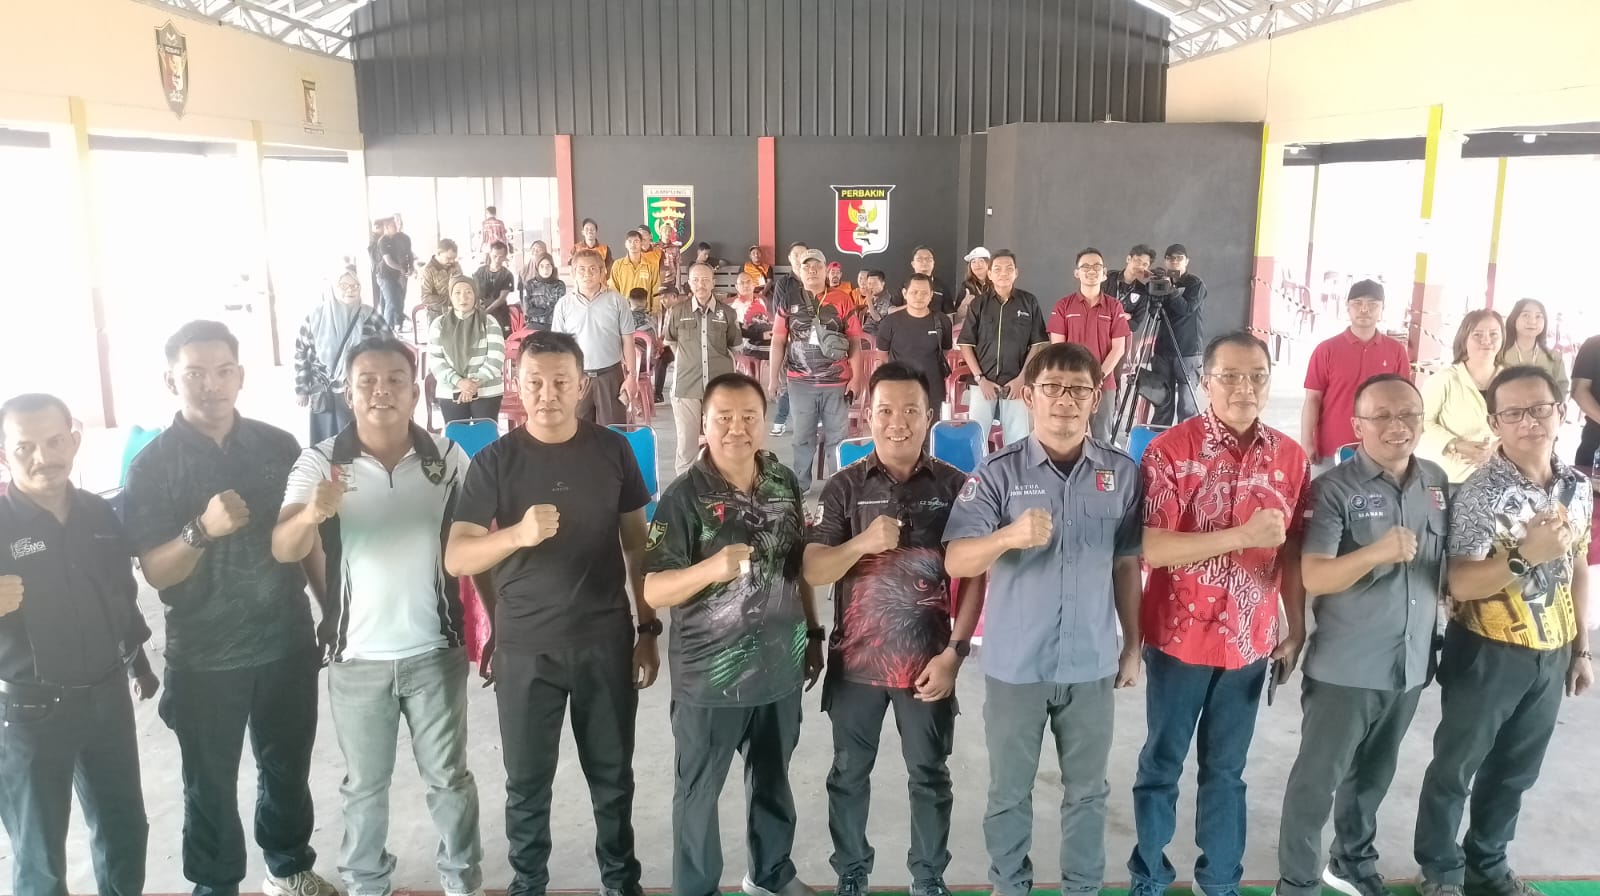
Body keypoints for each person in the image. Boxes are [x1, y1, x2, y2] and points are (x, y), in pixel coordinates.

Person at [445, 330, 661, 896]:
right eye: (535, 382)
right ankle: (528, 884)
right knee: (527, 784)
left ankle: (621, 881)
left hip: (604, 641)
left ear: (583, 385)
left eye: (561, 381)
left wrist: (647, 628)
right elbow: (460, 555)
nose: (548, 394)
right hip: (526, 649)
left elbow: (637, 545)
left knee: (613, 779)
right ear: (516, 385)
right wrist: (516, 536)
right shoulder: (494, 462)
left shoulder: (613, 451)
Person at [123, 320, 333, 896]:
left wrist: (330, 611)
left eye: (222, 371)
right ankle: (216, 886)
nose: (210, 385)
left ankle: (288, 867)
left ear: (240, 376)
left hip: (285, 642)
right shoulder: (151, 466)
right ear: (171, 380)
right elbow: (156, 571)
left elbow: (308, 536)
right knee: (208, 783)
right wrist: (201, 530)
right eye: (195, 373)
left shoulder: (278, 446)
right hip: (204, 657)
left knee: (287, 768)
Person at [272, 337, 483, 896]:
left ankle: (462, 880)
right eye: (366, 380)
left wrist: (495, 626)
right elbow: (283, 547)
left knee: (450, 780)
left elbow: (474, 544)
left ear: (416, 392)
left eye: (395, 380)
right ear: (348, 392)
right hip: (356, 658)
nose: (381, 391)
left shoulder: (448, 459)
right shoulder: (319, 462)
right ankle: (367, 883)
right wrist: (311, 514)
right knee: (364, 787)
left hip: (435, 651)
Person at [943, 342, 1143, 896]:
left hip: (1091, 663)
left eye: (1078, 390)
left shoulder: (1121, 473)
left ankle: (1082, 888)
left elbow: (1127, 564)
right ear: (1029, 397)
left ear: (1095, 398)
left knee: (1088, 793)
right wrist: (1006, 536)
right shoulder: (997, 473)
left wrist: (1132, 645)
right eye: (1052, 388)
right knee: (1010, 793)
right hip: (1016, 665)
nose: (1064, 400)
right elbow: (958, 560)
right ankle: (1010, 886)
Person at [1128, 330, 1310, 896]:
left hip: (1250, 642)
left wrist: (1296, 625)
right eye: (1229, 376)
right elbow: (1153, 547)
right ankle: (1149, 876)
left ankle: (1220, 881)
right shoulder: (1170, 451)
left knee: (1227, 772)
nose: (1243, 388)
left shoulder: (1291, 458)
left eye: (1256, 376)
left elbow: (1293, 551)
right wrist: (1241, 536)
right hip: (1178, 640)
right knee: (1162, 764)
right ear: (1206, 382)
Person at [804, 362, 984, 896]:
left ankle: (928, 878)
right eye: (885, 410)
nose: (897, 422)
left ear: (930, 416)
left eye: (910, 410)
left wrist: (955, 654)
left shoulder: (956, 487)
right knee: (847, 776)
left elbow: (975, 577)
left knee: (929, 776)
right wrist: (861, 544)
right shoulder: (843, 487)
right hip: (855, 665)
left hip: (928, 666)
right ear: (868, 414)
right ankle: (851, 874)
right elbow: (814, 570)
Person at [1414, 365, 1593, 896]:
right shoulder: (1479, 493)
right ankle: (1440, 872)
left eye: (1539, 409)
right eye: (1513, 413)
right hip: (1487, 651)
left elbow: (1578, 565)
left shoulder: (1577, 486)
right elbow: (1460, 583)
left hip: (1553, 652)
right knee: (1456, 768)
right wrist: (1523, 556)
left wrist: (1581, 649)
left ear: (1561, 412)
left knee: (1516, 771)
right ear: (1495, 423)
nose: (1529, 421)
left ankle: (1488, 868)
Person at [643, 372, 824, 896]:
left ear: (765, 422)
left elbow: (798, 565)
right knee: (698, 796)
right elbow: (653, 588)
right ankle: (696, 889)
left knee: (773, 783)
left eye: (749, 417)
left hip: (780, 667)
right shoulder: (683, 497)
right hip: (710, 681)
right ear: (704, 424)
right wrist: (708, 570)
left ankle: (770, 875)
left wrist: (814, 633)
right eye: (724, 418)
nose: (737, 428)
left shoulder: (783, 481)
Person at [1276, 373, 1448, 896]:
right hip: (1346, 668)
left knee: (1373, 777)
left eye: (1409, 414)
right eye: (1383, 416)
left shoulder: (1436, 481)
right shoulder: (1333, 489)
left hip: (1410, 664)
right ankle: (1297, 882)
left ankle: (1351, 860)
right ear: (1357, 426)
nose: (1398, 426)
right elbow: (1314, 575)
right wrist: (1376, 552)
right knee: (1317, 782)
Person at [0, 393, 156, 896]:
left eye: (53, 441)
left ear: (74, 439)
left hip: (107, 700)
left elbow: (121, 595)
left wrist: (139, 662)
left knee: (125, 831)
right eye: (24, 447)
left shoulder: (99, 514)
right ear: (3, 454)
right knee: (40, 856)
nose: (42, 457)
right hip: (29, 715)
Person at [768, 247, 866, 493]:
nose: (812, 271)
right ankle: (800, 486)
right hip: (800, 382)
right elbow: (778, 340)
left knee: (837, 438)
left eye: (817, 267)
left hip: (837, 382)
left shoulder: (843, 299)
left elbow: (854, 340)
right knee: (802, 437)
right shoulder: (788, 299)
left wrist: (857, 378)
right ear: (799, 271)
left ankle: (839, 487)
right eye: (807, 266)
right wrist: (772, 379)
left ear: (826, 270)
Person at [1300, 280, 1413, 476]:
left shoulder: (1395, 351)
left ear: (1382, 309)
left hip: (1380, 449)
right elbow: (1312, 399)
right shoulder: (1326, 350)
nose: (1364, 309)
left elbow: (1404, 402)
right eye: (1357, 303)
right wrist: (1306, 442)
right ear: (1348, 307)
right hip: (1330, 449)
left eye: (1373, 304)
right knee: (1326, 496)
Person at [956, 250, 1048, 447]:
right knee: (976, 439)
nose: (1003, 273)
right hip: (983, 385)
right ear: (989, 274)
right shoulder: (979, 304)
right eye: (997, 269)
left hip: (1017, 385)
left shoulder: (1029, 302)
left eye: (1009, 269)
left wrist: (1022, 378)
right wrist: (980, 379)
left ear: (1016, 272)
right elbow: (966, 344)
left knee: (1017, 440)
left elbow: (1037, 344)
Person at [293, 269, 390, 442]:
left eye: (355, 286)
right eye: (343, 286)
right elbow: (301, 352)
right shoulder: (315, 317)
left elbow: (391, 348)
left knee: (356, 443)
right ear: (333, 288)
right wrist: (302, 389)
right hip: (323, 393)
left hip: (358, 391)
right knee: (325, 444)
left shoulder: (370, 315)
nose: (350, 290)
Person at [664, 261, 742, 474]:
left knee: (724, 440)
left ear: (713, 282)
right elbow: (671, 342)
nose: (701, 284)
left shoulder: (728, 313)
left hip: (720, 390)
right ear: (689, 283)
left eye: (705, 280)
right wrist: (688, 361)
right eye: (696, 280)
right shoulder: (677, 311)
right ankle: (685, 488)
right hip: (686, 387)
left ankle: (723, 485)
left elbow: (734, 347)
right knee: (687, 445)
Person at [1046, 248, 1130, 441]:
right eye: (1085, 266)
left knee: (1101, 439)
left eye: (1097, 266)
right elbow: (1058, 349)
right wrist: (1076, 378)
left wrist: (1097, 376)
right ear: (1077, 273)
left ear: (1104, 273)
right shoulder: (1063, 305)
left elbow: (1119, 348)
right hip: (1069, 385)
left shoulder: (1114, 306)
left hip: (1103, 384)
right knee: (1067, 437)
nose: (1091, 270)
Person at [551, 248, 640, 425]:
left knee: (612, 432)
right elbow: (558, 347)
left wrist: (631, 377)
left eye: (593, 269)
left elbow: (628, 341)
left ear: (602, 272)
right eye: (581, 269)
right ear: (573, 273)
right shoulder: (563, 305)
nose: (587, 274)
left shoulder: (617, 301)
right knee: (576, 431)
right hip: (576, 377)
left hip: (610, 377)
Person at [1419, 310, 1503, 488]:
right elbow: (1421, 422)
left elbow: (1520, 425)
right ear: (1464, 339)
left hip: (1494, 480)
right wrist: (1455, 444)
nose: (1486, 340)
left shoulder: (1511, 381)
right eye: (1477, 335)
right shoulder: (1444, 379)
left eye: (1494, 334)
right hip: (1447, 480)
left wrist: (1495, 449)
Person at [427, 276, 507, 424]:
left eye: (468, 292)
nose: (463, 297)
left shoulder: (488, 322)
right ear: (450, 296)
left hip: (487, 391)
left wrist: (473, 384)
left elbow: (496, 357)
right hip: (450, 391)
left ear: (475, 295)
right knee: (456, 436)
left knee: (485, 436)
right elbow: (435, 360)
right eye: (457, 293)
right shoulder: (439, 324)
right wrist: (459, 382)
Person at [1144, 244, 1208, 426]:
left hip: (1188, 352)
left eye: (1179, 258)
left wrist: (1170, 289)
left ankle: (1185, 439)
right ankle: (1160, 437)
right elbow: (1154, 314)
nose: (1174, 261)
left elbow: (1186, 309)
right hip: (1163, 352)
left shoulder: (1195, 284)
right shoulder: (1159, 283)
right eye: (1170, 258)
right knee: (1162, 403)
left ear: (1186, 261)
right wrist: (1154, 293)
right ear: (1165, 261)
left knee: (1187, 406)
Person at [874, 273, 953, 410]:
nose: (919, 297)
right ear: (905, 293)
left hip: (933, 387)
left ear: (931, 295)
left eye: (924, 293)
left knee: (931, 421)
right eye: (914, 292)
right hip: (899, 386)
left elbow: (945, 351)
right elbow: (882, 356)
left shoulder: (942, 321)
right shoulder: (889, 323)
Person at [1497, 298, 1569, 406]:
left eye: (1538, 316)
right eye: (1525, 315)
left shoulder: (1554, 358)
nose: (1532, 321)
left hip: (1542, 413)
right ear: (1514, 319)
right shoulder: (1498, 355)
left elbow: (1561, 388)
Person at [376, 216, 415, 331]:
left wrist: (411, 267)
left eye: (398, 223)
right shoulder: (383, 241)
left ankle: (398, 325)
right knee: (391, 302)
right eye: (393, 225)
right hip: (385, 276)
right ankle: (387, 330)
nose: (397, 226)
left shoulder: (404, 238)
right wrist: (402, 269)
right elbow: (388, 261)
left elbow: (409, 254)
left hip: (400, 275)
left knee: (399, 301)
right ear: (387, 227)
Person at [610, 231, 663, 314]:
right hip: (624, 312)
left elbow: (656, 291)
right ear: (625, 244)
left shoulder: (651, 266)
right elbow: (613, 290)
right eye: (630, 241)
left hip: (645, 313)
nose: (633, 244)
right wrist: (616, 312)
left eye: (636, 241)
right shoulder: (618, 265)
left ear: (641, 243)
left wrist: (655, 311)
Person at [474, 240, 517, 331]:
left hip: (499, 311)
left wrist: (486, 312)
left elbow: (501, 299)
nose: (497, 259)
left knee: (501, 334)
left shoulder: (507, 275)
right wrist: (478, 309)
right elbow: (474, 292)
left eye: (501, 257)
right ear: (490, 254)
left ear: (505, 257)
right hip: (481, 308)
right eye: (495, 256)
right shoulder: (480, 271)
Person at [420, 239, 465, 323]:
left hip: (457, 310)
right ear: (438, 254)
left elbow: (462, 284)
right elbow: (425, 297)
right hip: (437, 313)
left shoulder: (456, 265)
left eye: (454, 258)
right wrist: (450, 300)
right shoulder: (427, 270)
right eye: (448, 258)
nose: (452, 261)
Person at [906, 245, 958, 317]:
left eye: (928, 259)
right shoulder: (905, 284)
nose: (924, 262)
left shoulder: (942, 286)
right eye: (919, 259)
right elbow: (892, 310)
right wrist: (914, 305)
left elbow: (950, 314)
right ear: (913, 264)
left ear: (933, 263)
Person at [520, 253, 566, 332]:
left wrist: (538, 310)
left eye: (548, 265)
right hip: (534, 326)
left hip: (554, 326)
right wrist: (547, 310)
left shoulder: (559, 285)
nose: (545, 269)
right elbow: (527, 311)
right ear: (537, 268)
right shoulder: (529, 285)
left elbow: (560, 310)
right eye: (542, 266)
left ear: (552, 267)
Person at [958, 247, 992, 323]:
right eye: (973, 261)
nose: (977, 264)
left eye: (981, 260)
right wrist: (964, 305)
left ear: (989, 263)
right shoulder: (966, 285)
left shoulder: (997, 284)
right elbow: (958, 316)